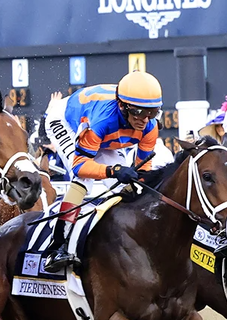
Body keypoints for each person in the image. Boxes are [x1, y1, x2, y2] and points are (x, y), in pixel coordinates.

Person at [42, 70, 162, 273]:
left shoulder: (150, 127)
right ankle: (56, 247)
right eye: (139, 112)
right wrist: (114, 170)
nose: (145, 119)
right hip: (66, 121)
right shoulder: (101, 121)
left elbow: (143, 170)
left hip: (103, 135)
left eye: (152, 112)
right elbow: (80, 166)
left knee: (129, 189)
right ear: (123, 107)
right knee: (83, 180)